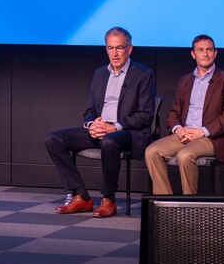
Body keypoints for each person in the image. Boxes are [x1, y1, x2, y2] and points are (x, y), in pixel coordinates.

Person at [44, 26, 156, 218]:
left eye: (120, 48)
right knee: (53, 139)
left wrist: (114, 127)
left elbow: (146, 115)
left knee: (109, 141)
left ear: (129, 49)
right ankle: (82, 196)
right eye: (110, 48)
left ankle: (108, 199)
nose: (115, 53)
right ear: (106, 49)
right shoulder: (99, 74)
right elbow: (90, 111)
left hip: (127, 132)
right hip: (100, 129)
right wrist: (91, 125)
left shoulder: (143, 74)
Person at [144, 34, 224, 195]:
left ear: (215, 53)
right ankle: (165, 201)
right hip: (184, 134)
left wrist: (202, 131)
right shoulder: (185, 80)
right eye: (200, 50)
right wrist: (179, 129)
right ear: (193, 54)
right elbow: (174, 112)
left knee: (185, 155)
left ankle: (189, 204)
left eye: (209, 50)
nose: (205, 54)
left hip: (210, 137)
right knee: (151, 151)